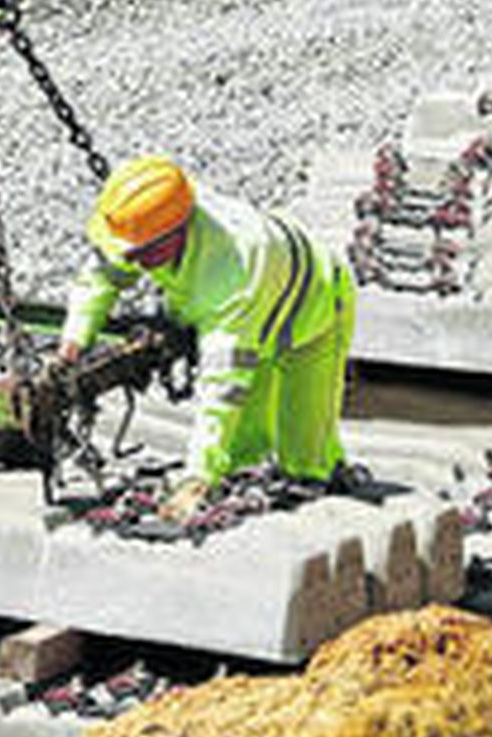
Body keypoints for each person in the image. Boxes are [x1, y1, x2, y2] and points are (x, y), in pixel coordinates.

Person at [58, 155, 355, 520]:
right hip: (257, 303)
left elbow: (223, 387)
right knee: (242, 456)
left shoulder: (232, 271)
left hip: (316, 306)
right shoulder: (152, 218)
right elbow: (102, 274)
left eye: (139, 255)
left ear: (172, 238)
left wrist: (197, 478)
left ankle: (321, 479)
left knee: (306, 460)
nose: (132, 262)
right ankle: (240, 478)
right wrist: (74, 342)